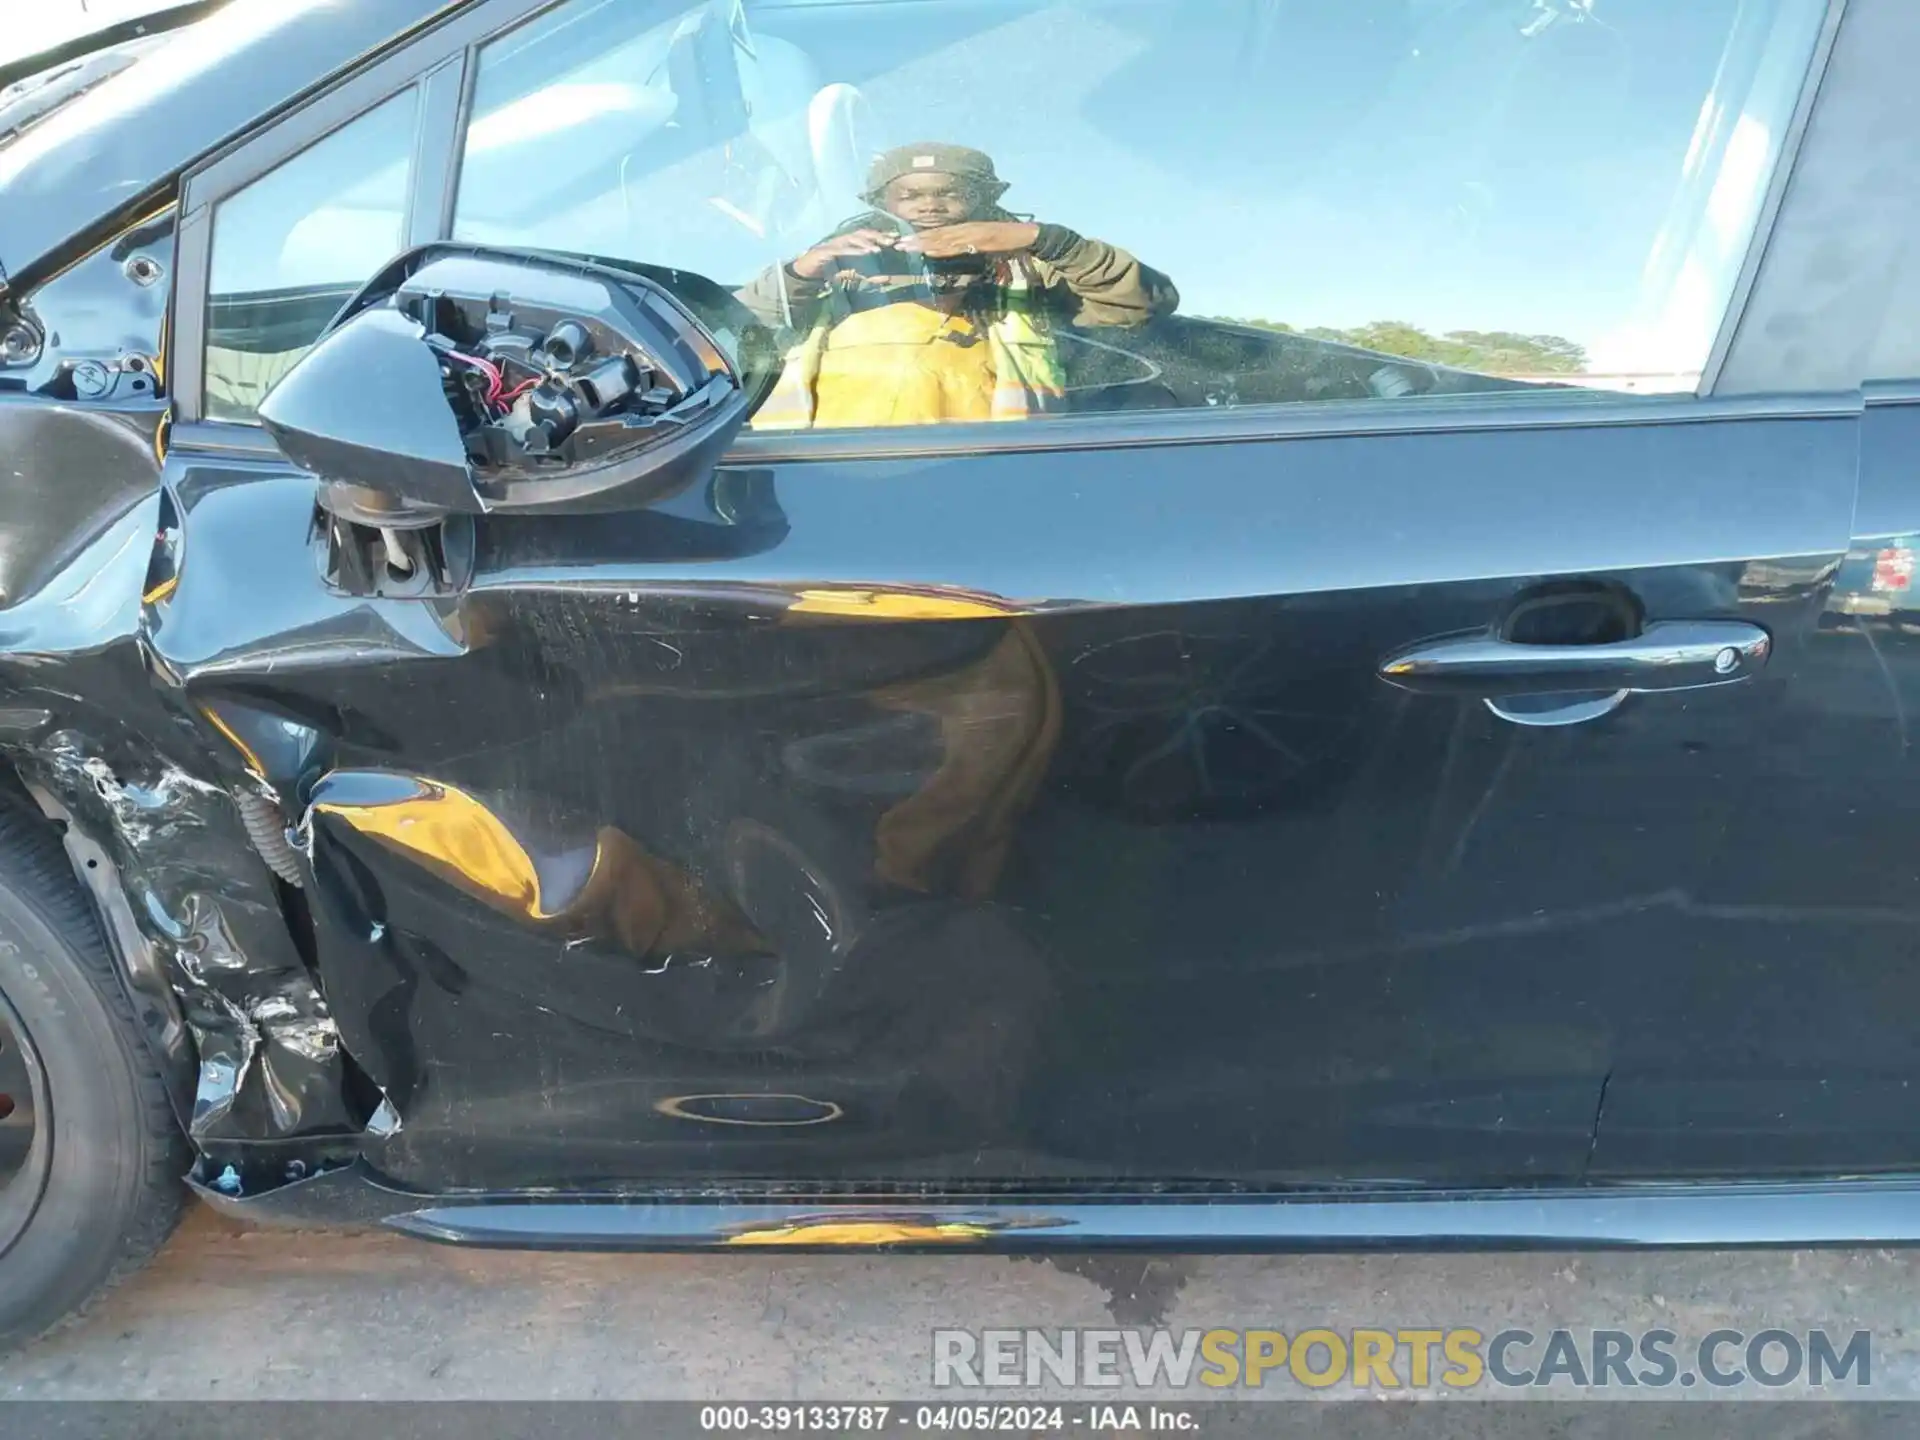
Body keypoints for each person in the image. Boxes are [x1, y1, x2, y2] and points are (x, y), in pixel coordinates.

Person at [740, 142, 1176, 429]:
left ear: (984, 199)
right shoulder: (835, 265)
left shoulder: (1027, 268)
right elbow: (726, 333)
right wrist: (801, 271)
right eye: (910, 196)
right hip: (827, 469)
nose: (930, 205)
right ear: (882, 203)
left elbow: (1138, 304)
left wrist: (1046, 240)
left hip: (992, 470)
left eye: (951, 193)